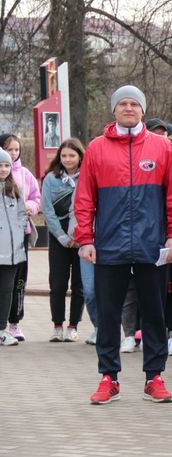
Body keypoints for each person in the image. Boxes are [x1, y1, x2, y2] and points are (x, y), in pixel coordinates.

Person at [75, 85, 172, 405]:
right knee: (109, 315)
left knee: (154, 314)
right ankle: (108, 377)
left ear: (142, 110)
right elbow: (84, 198)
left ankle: (154, 377)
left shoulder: (162, 147)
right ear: (114, 110)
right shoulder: (97, 148)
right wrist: (85, 239)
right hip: (109, 247)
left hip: (152, 247)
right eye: (122, 103)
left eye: (134, 104)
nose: (128, 108)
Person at [41, 138, 86, 343]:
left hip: (81, 237)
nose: (68, 159)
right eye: (64, 155)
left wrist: (78, 236)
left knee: (79, 285)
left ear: (80, 156)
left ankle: (73, 326)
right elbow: (47, 210)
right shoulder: (51, 179)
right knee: (58, 284)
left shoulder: (87, 176)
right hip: (58, 237)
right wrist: (62, 236)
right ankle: (57, 325)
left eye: (72, 155)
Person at [0, 134, 40, 342]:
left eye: (16, 150)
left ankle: (12, 324)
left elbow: (35, 198)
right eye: (9, 149)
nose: (14, 154)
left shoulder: (22, 177)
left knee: (14, 283)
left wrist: (29, 207)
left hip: (17, 241)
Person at [0, 149, 26, 346]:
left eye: (7, 165)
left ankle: (2, 330)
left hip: (12, 253)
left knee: (7, 291)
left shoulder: (14, 189)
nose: (3, 169)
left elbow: (22, 215)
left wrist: (19, 235)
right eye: (0, 165)